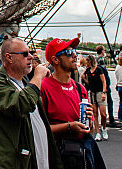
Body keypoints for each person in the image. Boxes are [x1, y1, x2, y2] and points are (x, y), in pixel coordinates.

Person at [0, 36, 61, 169]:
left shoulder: (23, 82)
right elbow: (20, 105)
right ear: (9, 57)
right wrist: (37, 77)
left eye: (30, 53)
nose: (30, 57)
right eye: (25, 54)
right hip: (9, 163)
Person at [42, 37, 105, 169]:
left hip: (80, 157)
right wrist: (69, 127)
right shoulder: (44, 88)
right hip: (58, 157)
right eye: (69, 53)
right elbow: (39, 130)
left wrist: (89, 123)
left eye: (74, 51)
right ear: (55, 60)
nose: (75, 55)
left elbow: (90, 130)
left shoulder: (80, 88)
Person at [82, 54, 108, 141]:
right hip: (92, 92)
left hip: (100, 92)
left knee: (103, 114)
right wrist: (84, 78)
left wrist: (104, 92)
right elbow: (89, 83)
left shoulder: (99, 69)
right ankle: (98, 132)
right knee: (95, 113)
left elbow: (104, 81)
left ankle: (104, 128)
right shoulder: (88, 70)